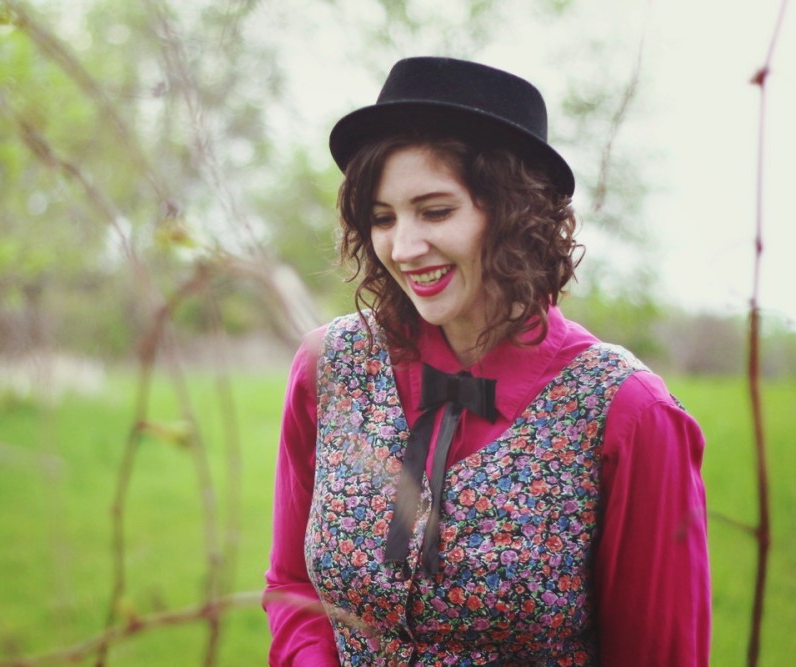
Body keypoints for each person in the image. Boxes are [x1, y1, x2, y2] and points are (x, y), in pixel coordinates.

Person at [262, 57, 710, 666]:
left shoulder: (629, 412)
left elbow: (659, 655)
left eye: (437, 211)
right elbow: (293, 588)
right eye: (383, 218)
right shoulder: (329, 368)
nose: (404, 246)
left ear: (515, 212)